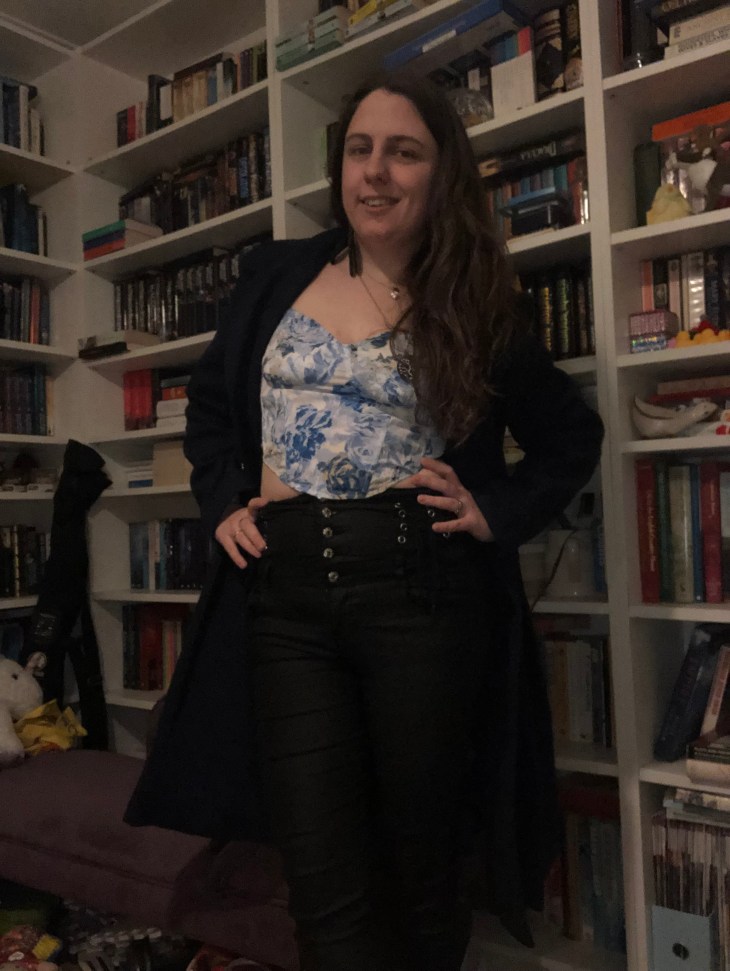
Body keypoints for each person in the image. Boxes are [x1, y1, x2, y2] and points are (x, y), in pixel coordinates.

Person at [126, 76, 604, 971]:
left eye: (403, 151)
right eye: (359, 149)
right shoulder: (276, 275)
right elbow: (212, 412)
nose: (375, 171)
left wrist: (493, 510)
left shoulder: (476, 299)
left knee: (423, 871)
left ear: (440, 173)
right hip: (286, 609)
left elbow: (569, 438)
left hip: (423, 601)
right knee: (322, 884)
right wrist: (222, 499)